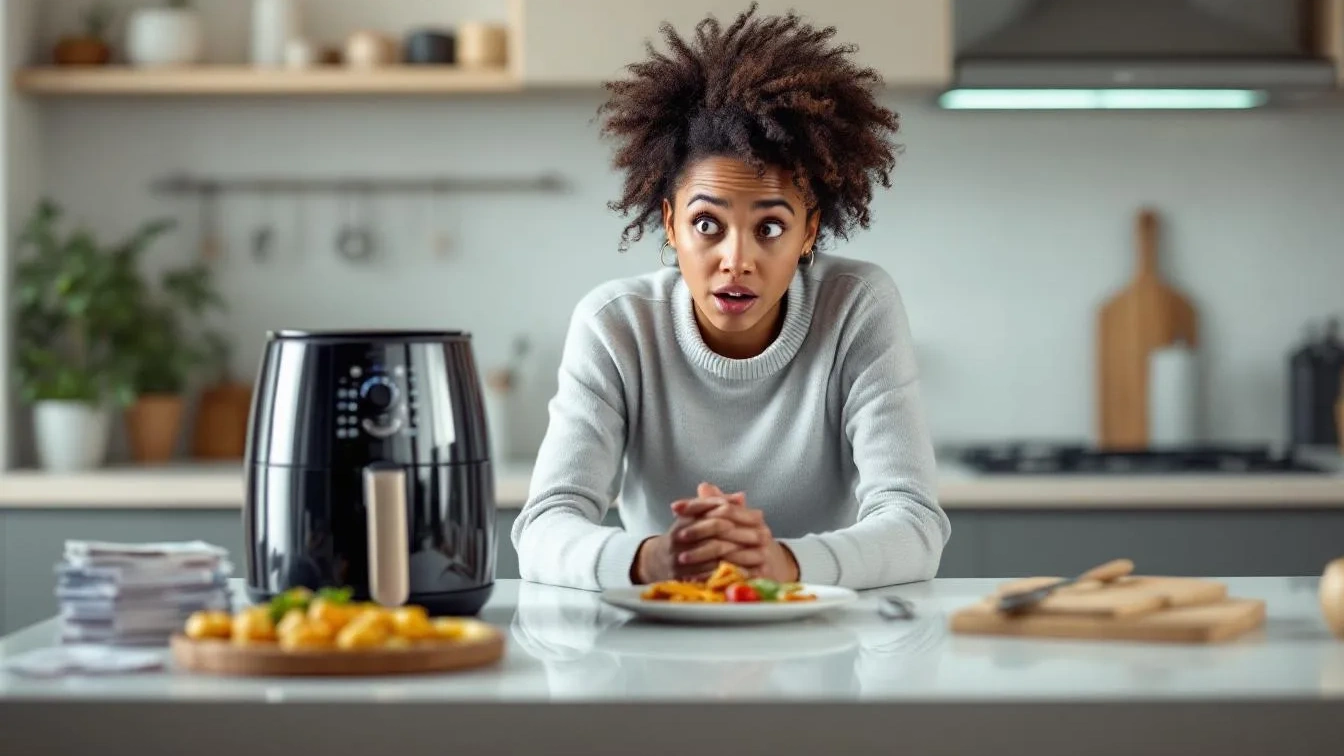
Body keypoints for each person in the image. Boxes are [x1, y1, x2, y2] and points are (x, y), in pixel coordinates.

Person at [511, 3, 950, 592]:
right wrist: (651, 559)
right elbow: (542, 526)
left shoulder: (856, 306)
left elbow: (916, 524)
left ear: (809, 230)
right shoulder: (616, 326)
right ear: (670, 225)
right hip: (658, 631)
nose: (736, 259)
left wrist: (781, 564)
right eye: (707, 225)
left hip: (826, 640)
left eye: (770, 227)